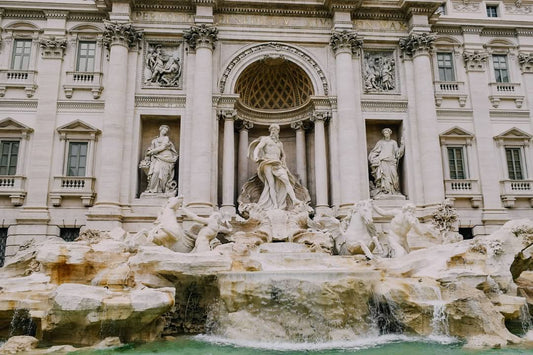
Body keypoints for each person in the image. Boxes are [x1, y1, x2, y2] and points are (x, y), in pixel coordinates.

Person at [248, 124, 301, 210]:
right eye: (272, 129)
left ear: (278, 132)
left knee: (287, 181)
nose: (273, 131)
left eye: (275, 130)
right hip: (267, 162)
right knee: (271, 184)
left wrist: (284, 163)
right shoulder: (266, 139)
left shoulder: (280, 144)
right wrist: (255, 156)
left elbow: (283, 155)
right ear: (270, 130)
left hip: (277, 163)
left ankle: (294, 199)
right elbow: (258, 148)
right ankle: (275, 205)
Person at [368, 128, 405, 198]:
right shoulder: (380, 142)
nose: (386, 134)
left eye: (387, 133)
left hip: (391, 162)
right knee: (384, 177)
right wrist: (373, 158)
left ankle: (394, 191)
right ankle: (385, 191)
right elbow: (374, 152)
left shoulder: (393, 142)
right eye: (385, 133)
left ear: (390, 133)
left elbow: (397, 153)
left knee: (394, 176)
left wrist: (402, 145)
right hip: (383, 161)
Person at [142, 125, 178, 194]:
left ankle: (160, 189)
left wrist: (151, 152)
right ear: (160, 130)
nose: (165, 131)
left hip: (166, 157)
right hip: (157, 157)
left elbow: (162, 147)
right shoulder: (154, 140)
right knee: (156, 171)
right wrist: (149, 151)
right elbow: (151, 148)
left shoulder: (166, 138)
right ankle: (152, 189)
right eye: (164, 130)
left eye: (166, 131)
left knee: (163, 174)